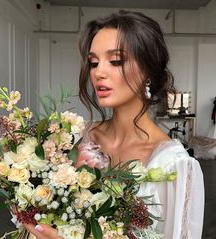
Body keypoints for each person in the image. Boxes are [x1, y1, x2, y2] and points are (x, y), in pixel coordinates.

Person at [25, 10, 204, 239]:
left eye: (116, 61)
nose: (99, 72)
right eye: (93, 62)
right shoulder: (73, 137)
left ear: (148, 70)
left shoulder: (175, 166)